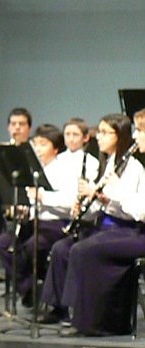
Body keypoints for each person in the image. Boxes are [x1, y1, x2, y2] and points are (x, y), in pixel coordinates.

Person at [40, 113, 139, 325]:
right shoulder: (109, 164)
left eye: (104, 133)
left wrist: (106, 194)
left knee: (80, 249)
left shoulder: (132, 167)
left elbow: (132, 210)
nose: (98, 137)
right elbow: (104, 204)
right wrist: (87, 205)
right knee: (61, 247)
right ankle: (58, 308)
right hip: (105, 225)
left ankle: (79, 313)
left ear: (119, 136)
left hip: (126, 228)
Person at [0, 124, 77, 307]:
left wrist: (43, 196)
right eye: (35, 144)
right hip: (32, 223)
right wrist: (23, 210)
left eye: (43, 144)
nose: (37, 149)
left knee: (31, 247)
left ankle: (44, 291)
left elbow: (70, 202)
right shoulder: (31, 171)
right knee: (2, 243)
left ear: (55, 148)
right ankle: (29, 289)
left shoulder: (65, 169)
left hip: (55, 224)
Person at [57, 117, 99, 183]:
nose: (71, 139)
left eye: (75, 135)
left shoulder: (91, 162)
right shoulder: (57, 159)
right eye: (67, 134)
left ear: (85, 138)